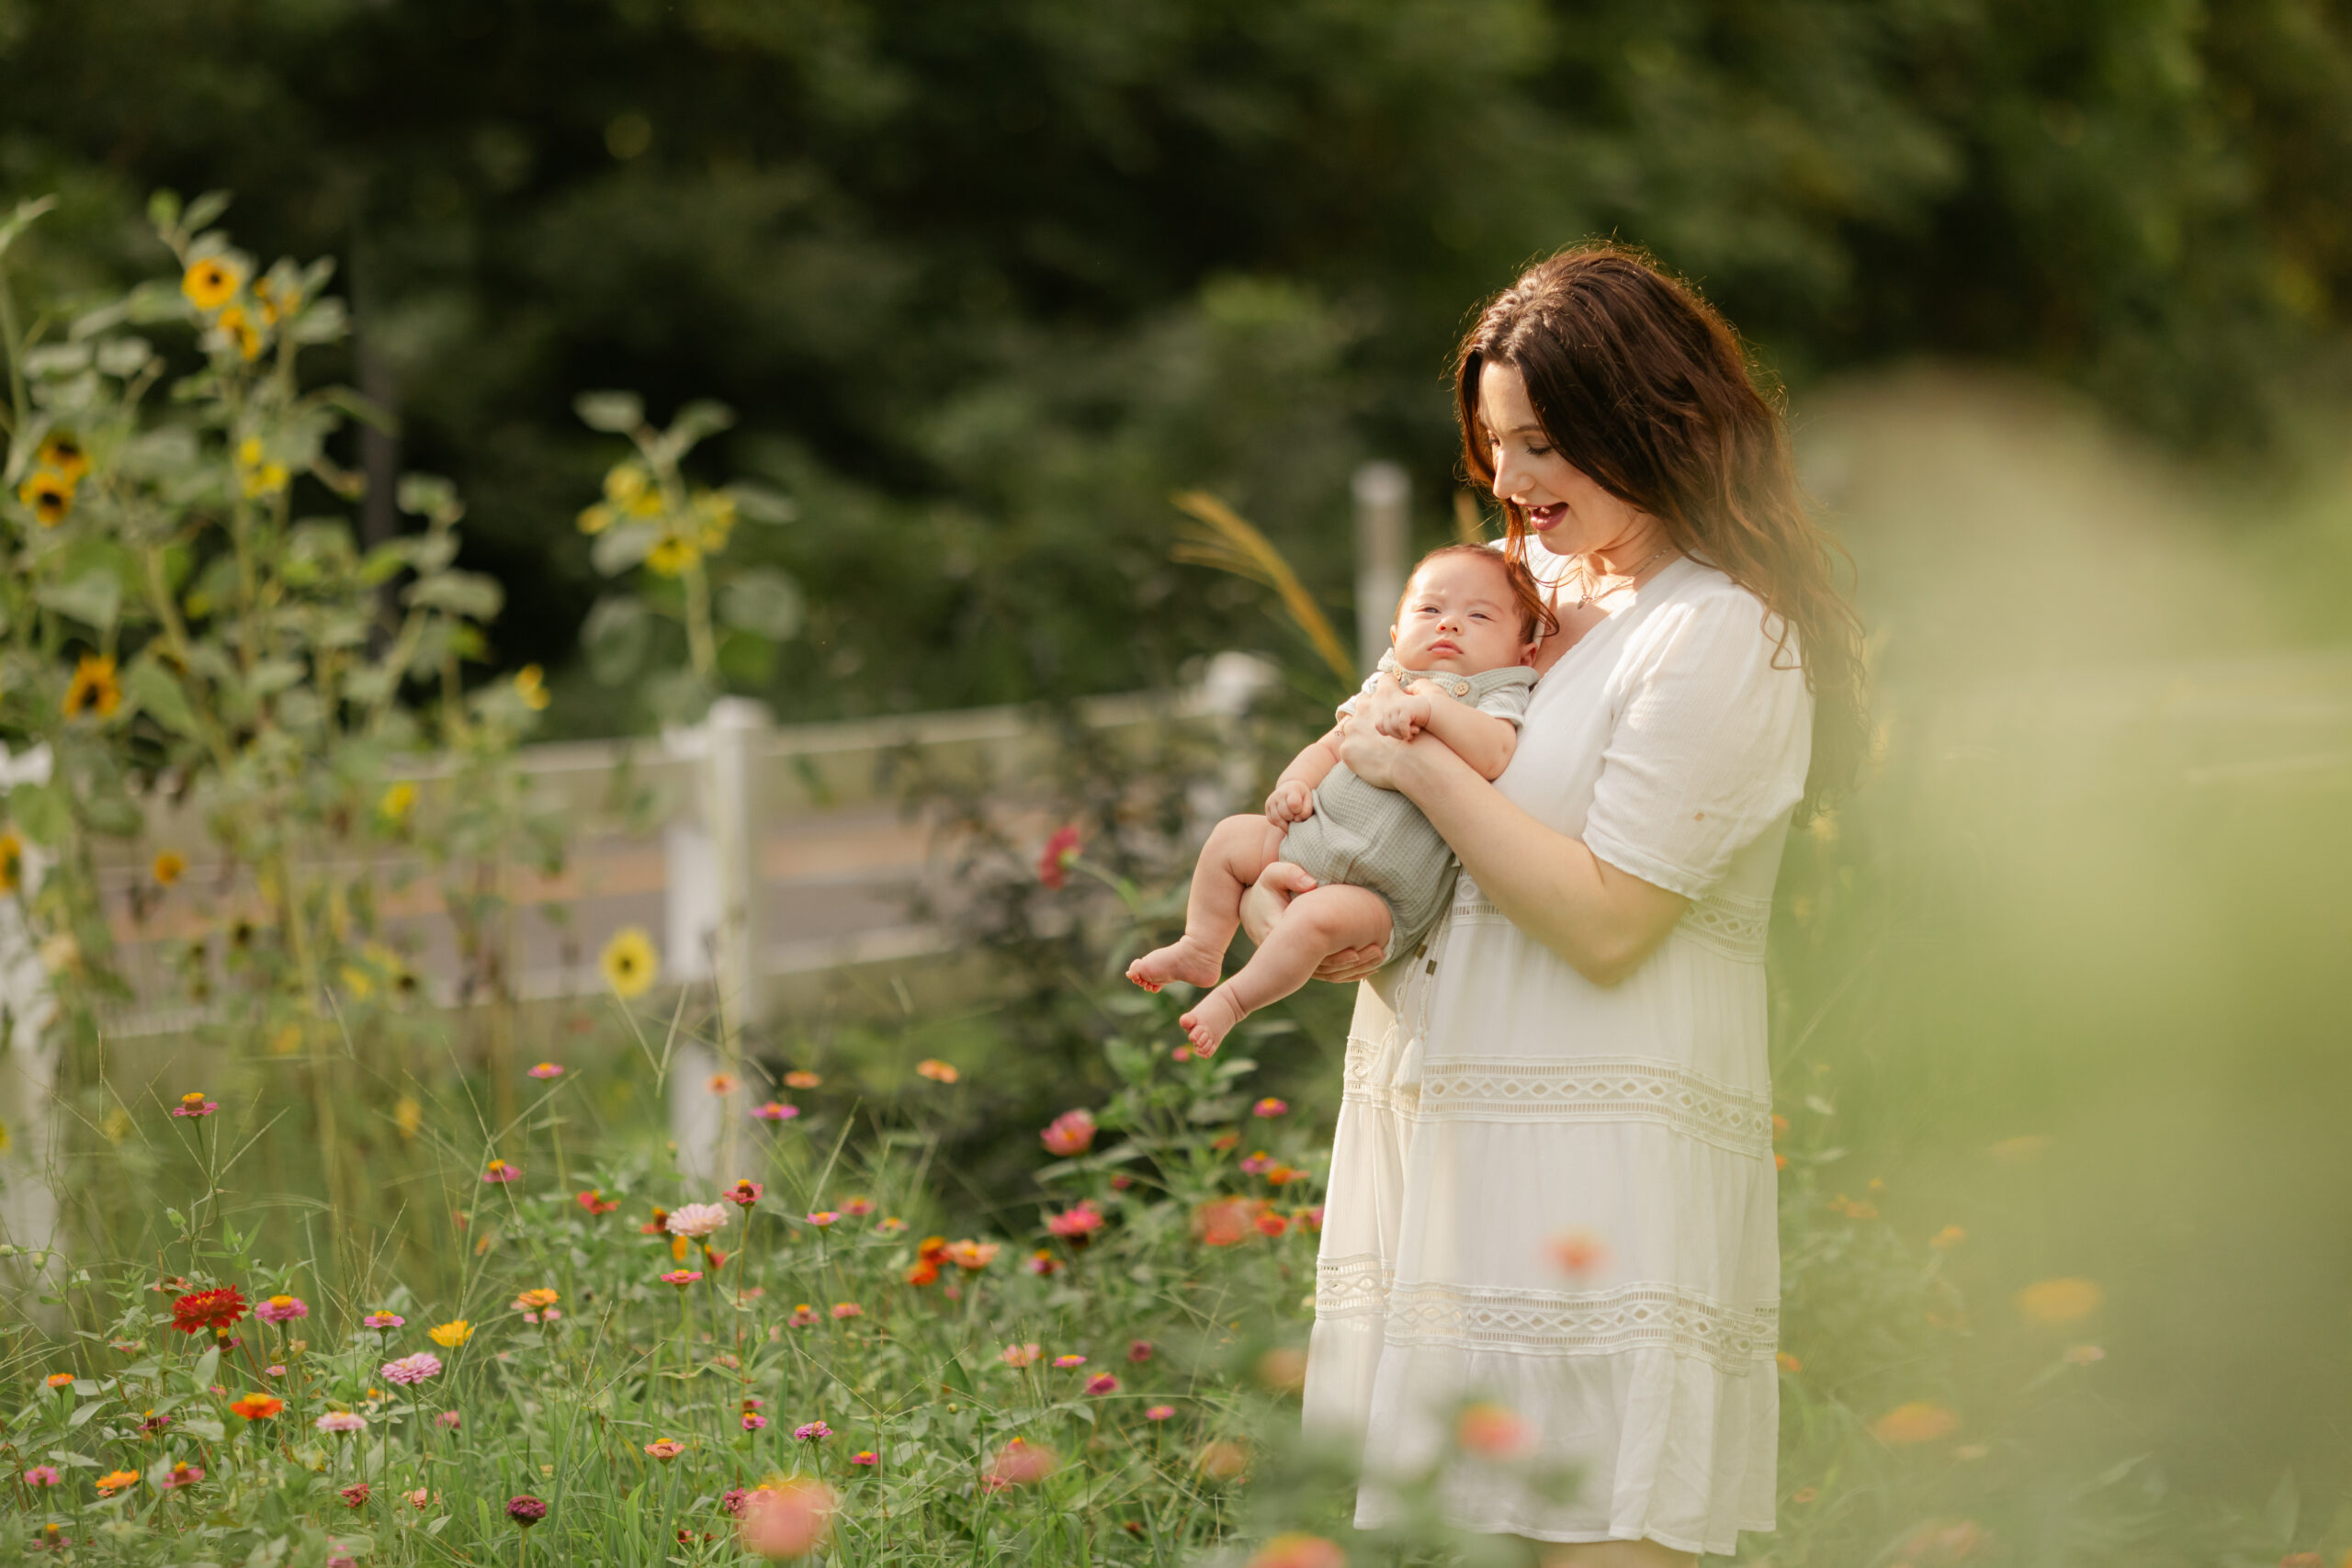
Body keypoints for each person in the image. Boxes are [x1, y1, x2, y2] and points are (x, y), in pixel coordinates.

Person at [1265, 245, 1868, 1562]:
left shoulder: (1721, 632)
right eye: (1496, 445)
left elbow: (1606, 918)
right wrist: (1309, 897)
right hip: (1450, 1135)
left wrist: (1416, 748)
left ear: (1647, 419)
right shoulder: (1514, 599)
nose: (1515, 479)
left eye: (1544, 441)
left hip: (1597, 1154)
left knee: (1597, 1534)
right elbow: (1362, 799)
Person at [1127, 545, 1547, 1055]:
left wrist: (1432, 710)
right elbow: (1330, 745)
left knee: (1314, 919)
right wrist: (1293, 785)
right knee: (1230, 837)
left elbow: (1495, 753)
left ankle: (1234, 1001)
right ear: (1395, 637)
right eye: (1429, 611)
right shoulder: (1386, 683)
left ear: (1524, 654)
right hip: (1311, 837)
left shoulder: (1493, 690)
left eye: (1478, 616)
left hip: (1380, 895)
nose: (1449, 625)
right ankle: (1200, 946)